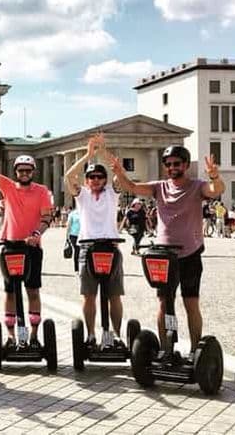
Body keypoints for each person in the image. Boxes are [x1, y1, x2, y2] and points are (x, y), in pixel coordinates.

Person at [111, 145, 224, 358]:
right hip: (163, 256)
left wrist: (214, 176)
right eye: (168, 164)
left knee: (191, 302)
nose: (172, 167)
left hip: (190, 254)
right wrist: (119, 172)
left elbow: (215, 190)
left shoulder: (197, 186)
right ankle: (166, 348)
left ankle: (194, 351)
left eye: (176, 164)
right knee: (164, 302)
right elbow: (132, 187)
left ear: (186, 165)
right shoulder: (159, 187)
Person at [0, 128, 53, 347]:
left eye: (28, 170)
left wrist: (37, 234)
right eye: (21, 170)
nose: (24, 173)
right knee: (9, 291)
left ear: (33, 171)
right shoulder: (8, 187)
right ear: (16, 171)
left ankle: (33, 335)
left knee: (32, 290)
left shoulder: (42, 191)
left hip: (32, 247)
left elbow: (46, 217)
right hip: (10, 246)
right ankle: (11, 336)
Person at [64, 133, 125, 347]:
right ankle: (91, 335)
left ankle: (116, 335)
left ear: (105, 179)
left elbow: (120, 175)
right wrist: (88, 155)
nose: (96, 179)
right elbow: (68, 177)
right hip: (88, 247)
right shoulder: (82, 195)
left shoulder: (112, 193)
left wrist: (103, 152)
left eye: (100, 176)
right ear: (87, 180)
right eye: (91, 177)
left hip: (110, 246)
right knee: (89, 295)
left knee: (114, 295)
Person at [65, 206, 81, 272]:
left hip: (83, 235)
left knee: (81, 252)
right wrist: (67, 237)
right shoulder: (72, 214)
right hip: (74, 235)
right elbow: (68, 225)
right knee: (77, 250)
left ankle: (82, 268)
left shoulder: (85, 212)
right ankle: (77, 269)